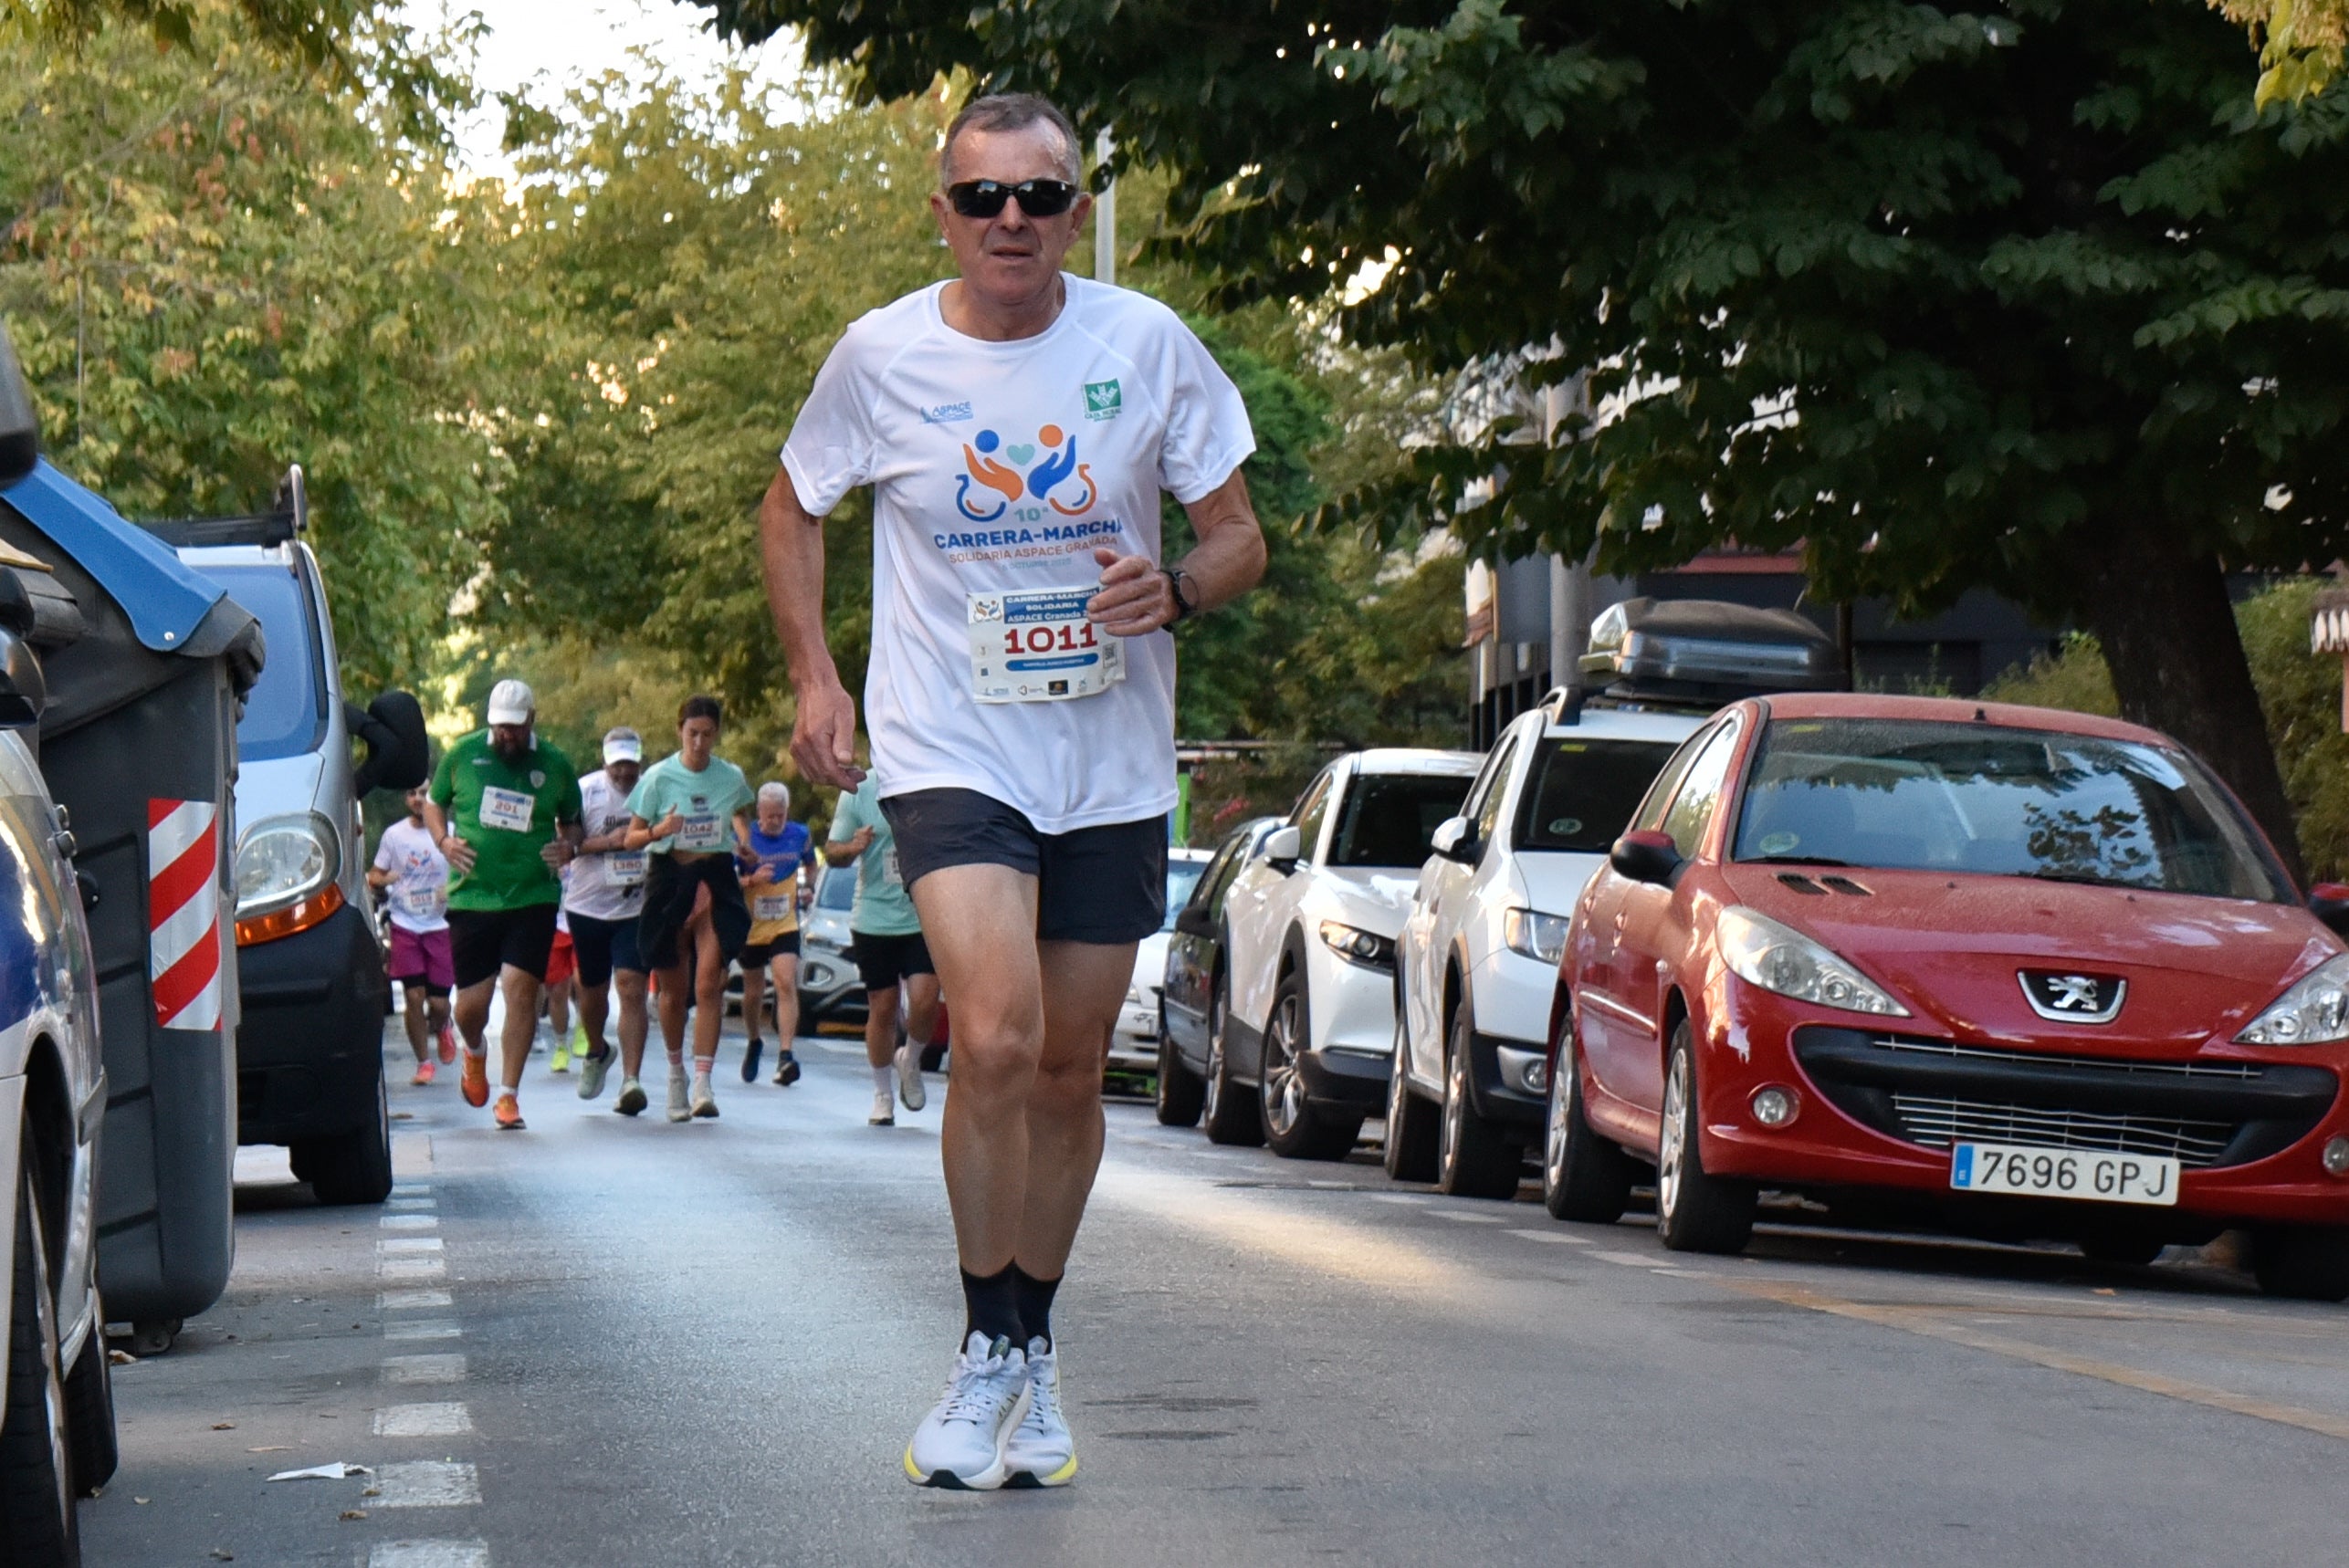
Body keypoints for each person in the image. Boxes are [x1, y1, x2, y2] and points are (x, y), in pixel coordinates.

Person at [760, 91, 1266, 1490]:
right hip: (949, 744)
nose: (1010, 221)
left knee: (1066, 1063)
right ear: (943, 211)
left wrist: (1176, 588)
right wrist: (816, 677)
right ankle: (984, 1339)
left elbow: (1237, 535)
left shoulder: (1143, 345)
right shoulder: (881, 356)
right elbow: (793, 503)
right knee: (992, 1034)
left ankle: (1032, 1341)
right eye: (982, 196)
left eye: (1039, 197)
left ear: (1074, 212)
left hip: (1107, 757)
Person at [423, 678, 584, 1132]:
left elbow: (573, 822)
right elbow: (434, 804)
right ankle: (475, 1051)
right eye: (499, 727)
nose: (506, 735)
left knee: (520, 987)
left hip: (532, 894)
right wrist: (444, 841)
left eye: (514, 727)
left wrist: (568, 846)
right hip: (473, 894)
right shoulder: (463, 755)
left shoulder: (554, 763)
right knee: (469, 1007)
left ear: (532, 720)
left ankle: (509, 1095)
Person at [624, 695, 755, 1122]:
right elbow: (631, 837)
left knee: (709, 984)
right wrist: (660, 830)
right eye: (692, 733)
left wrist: (742, 841)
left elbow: (739, 812)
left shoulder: (730, 777)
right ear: (680, 731)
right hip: (670, 878)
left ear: (717, 735)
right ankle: (675, 1072)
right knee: (673, 990)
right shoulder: (658, 778)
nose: (699, 743)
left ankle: (703, 1082)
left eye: (707, 734)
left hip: (714, 876)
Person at [826, 774, 938, 1128]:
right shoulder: (859, 791)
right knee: (883, 1007)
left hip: (921, 914)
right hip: (874, 918)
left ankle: (910, 1058)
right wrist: (853, 847)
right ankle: (882, 1094)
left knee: (925, 999)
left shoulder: (931, 779)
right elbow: (832, 852)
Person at [566, 727, 652, 1112]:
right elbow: (567, 844)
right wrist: (612, 842)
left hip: (635, 906)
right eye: (617, 765)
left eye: (630, 764)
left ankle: (631, 1080)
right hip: (588, 906)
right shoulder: (585, 791)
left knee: (631, 986)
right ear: (604, 762)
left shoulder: (652, 789)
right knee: (593, 991)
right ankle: (597, 1050)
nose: (624, 772)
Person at [369, 783, 456, 1086]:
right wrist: (384, 879)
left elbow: (470, 871)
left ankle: (443, 1025)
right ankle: (423, 1062)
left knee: (439, 1003)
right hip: (405, 923)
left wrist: (453, 888)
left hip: (440, 924)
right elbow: (374, 875)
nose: (418, 799)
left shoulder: (451, 832)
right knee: (414, 996)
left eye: (424, 792)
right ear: (406, 799)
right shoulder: (394, 835)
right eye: (412, 793)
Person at [736, 781, 816, 1085]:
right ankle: (754, 1040)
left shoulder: (800, 834)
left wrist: (809, 886)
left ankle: (786, 1054)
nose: (774, 821)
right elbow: (729, 880)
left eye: (780, 815)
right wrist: (752, 880)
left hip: (785, 922)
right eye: (769, 816)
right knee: (753, 991)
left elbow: (811, 865)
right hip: (752, 925)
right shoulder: (745, 838)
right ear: (759, 812)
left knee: (784, 981)